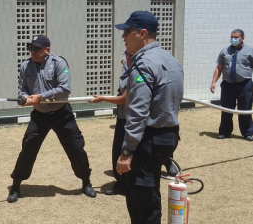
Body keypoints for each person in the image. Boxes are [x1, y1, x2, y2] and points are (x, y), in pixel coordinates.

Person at [7, 35, 96, 203]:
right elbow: (23, 88)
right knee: (28, 147)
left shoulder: (58, 63)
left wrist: (40, 96)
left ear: (46, 50)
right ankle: (16, 184)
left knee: (76, 148)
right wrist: (25, 97)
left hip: (62, 114)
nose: (32, 51)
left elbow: (64, 88)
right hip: (39, 116)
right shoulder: (25, 66)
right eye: (31, 48)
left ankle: (86, 182)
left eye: (36, 48)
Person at [114, 11, 184, 224]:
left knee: (142, 199)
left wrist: (127, 151)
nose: (123, 37)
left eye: (127, 32)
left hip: (148, 139)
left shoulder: (143, 63)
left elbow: (138, 111)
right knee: (148, 192)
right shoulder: (169, 58)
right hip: (168, 135)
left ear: (143, 33)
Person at [89, 51, 134, 195]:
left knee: (130, 152)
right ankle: (121, 184)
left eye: (131, 55)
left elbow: (124, 99)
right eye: (126, 55)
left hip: (133, 119)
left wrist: (102, 98)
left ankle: (130, 185)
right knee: (117, 151)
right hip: (122, 116)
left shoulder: (140, 72)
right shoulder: (127, 70)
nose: (127, 57)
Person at [210, 29, 253, 141]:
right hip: (228, 85)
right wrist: (213, 82)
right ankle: (225, 132)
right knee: (226, 109)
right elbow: (219, 68)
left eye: (236, 37)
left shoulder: (250, 51)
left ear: (242, 38)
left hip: (245, 85)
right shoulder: (224, 51)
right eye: (232, 36)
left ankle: (247, 132)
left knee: (245, 109)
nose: (233, 39)